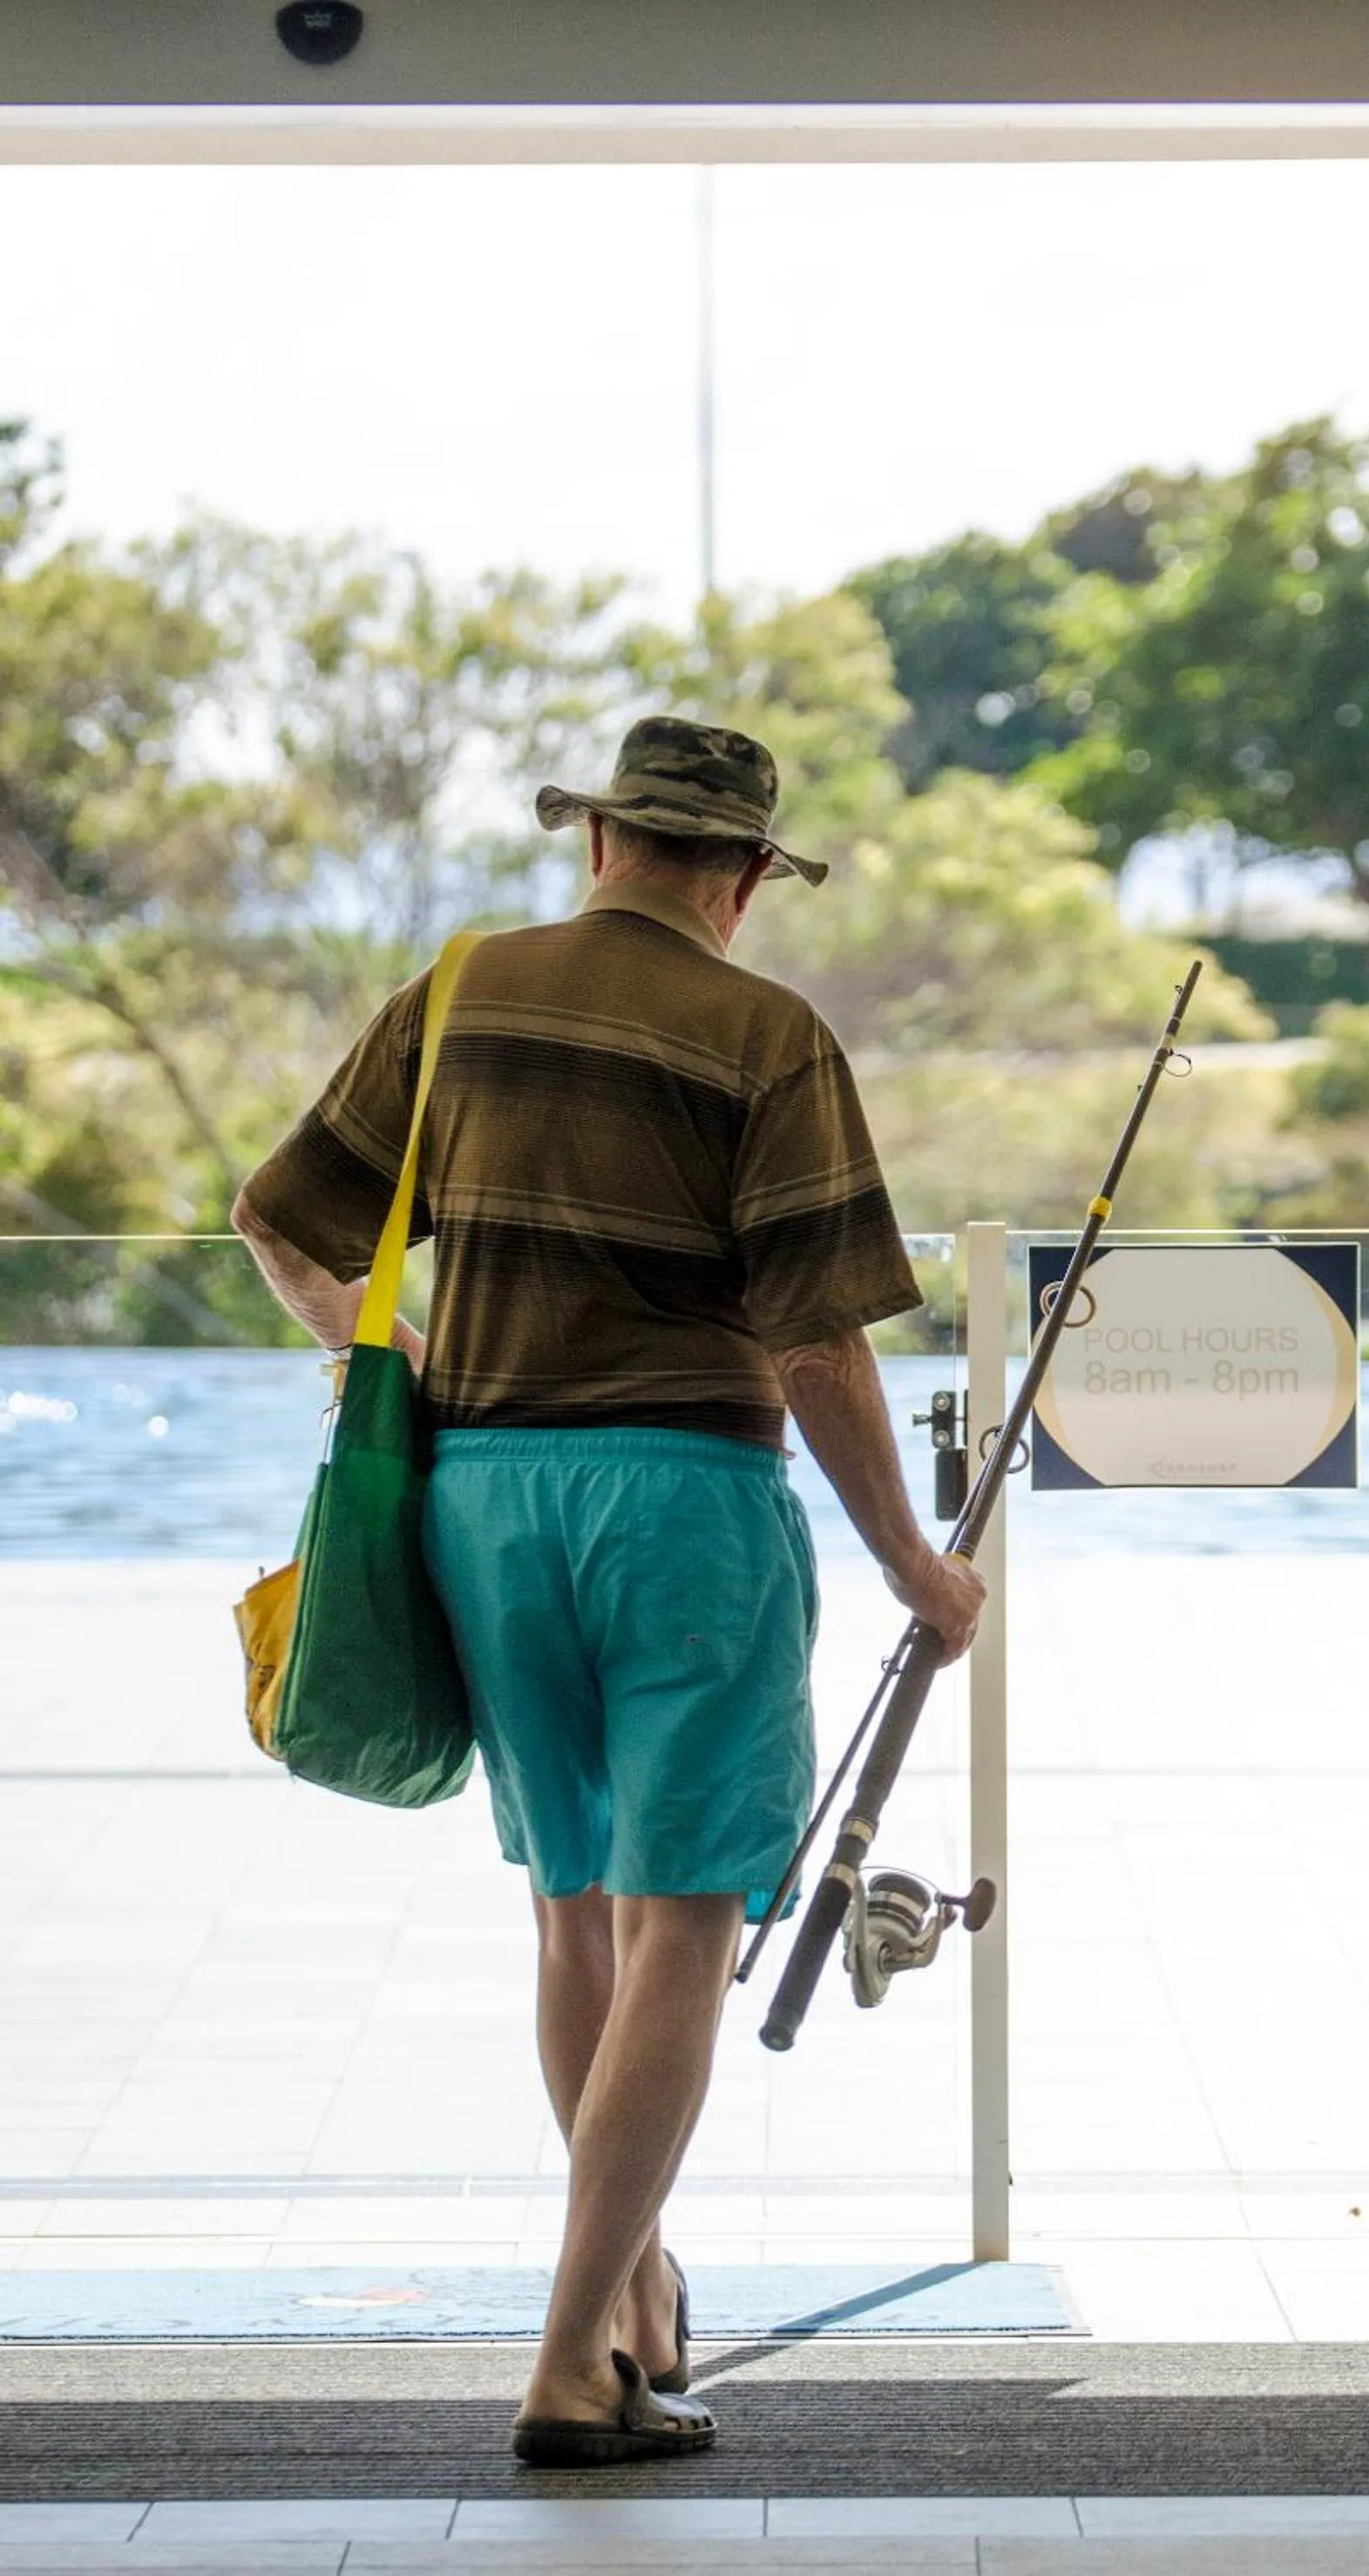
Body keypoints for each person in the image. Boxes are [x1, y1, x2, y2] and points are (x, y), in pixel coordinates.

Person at [232, 716, 985, 2465]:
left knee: (576, 1909)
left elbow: (280, 1221)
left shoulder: (460, 990)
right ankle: (572, 2362)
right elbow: (811, 1335)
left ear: (600, 845)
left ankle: (634, 2288)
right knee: (683, 1925)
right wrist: (911, 1561)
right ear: (736, 876)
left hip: (483, 1500)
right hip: (687, 1506)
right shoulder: (765, 1031)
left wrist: (402, 1361)